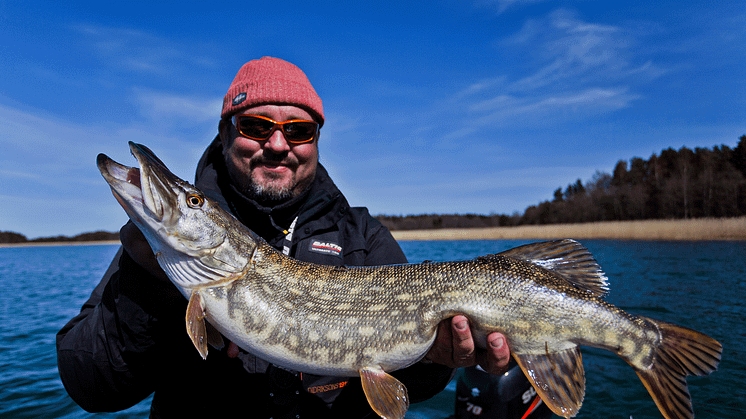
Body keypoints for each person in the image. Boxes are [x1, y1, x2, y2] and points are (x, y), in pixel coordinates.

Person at [57, 56, 511, 418]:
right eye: (256, 126)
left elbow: (412, 385)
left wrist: (436, 359)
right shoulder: (152, 253)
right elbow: (91, 386)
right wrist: (147, 285)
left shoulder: (363, 238)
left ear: (315, 141)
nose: (277, 144)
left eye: (298, 130)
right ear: (225, 132)